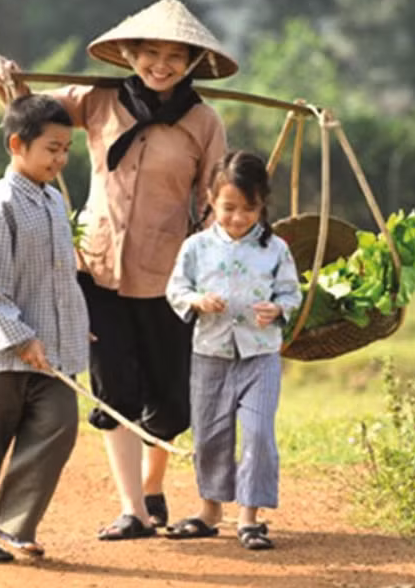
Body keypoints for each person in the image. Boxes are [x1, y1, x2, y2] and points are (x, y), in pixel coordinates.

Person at [0, 0, 238, 540]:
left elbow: (216, 198)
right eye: (149, 54)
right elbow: (32, 114)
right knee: (112, 386)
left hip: (170, 277)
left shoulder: (203, 121)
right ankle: (133, 510)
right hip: (96, 270)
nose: (159, 66)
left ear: (190, 62)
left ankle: (153, 485)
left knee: (169, 397)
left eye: (173, 57)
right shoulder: (97, 101)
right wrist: (3, 74)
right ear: (130, 54)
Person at [0, 94, 89, 562]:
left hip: (47, 355)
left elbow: (58, 277)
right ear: (17, 144)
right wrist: (20, 338)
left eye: (66, 149)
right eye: (52, 148)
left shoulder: (52, 203)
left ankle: (11, 524)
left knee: (60, 424)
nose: (61, 159)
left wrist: (73, 327)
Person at [162, 150, 302, 551]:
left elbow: (292, 294)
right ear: (210, 198)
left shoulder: (276, 249)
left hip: (261, 355)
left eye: (248, 209)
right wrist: (197, 301)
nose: (238, 218)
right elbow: (176, 289)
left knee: (258, 433)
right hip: (210, 352)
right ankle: (209, 511)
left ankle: (250, 518)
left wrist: (278, 309)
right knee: (210, 434)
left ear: (262, 205)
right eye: (228, 208)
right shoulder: (196, 247)